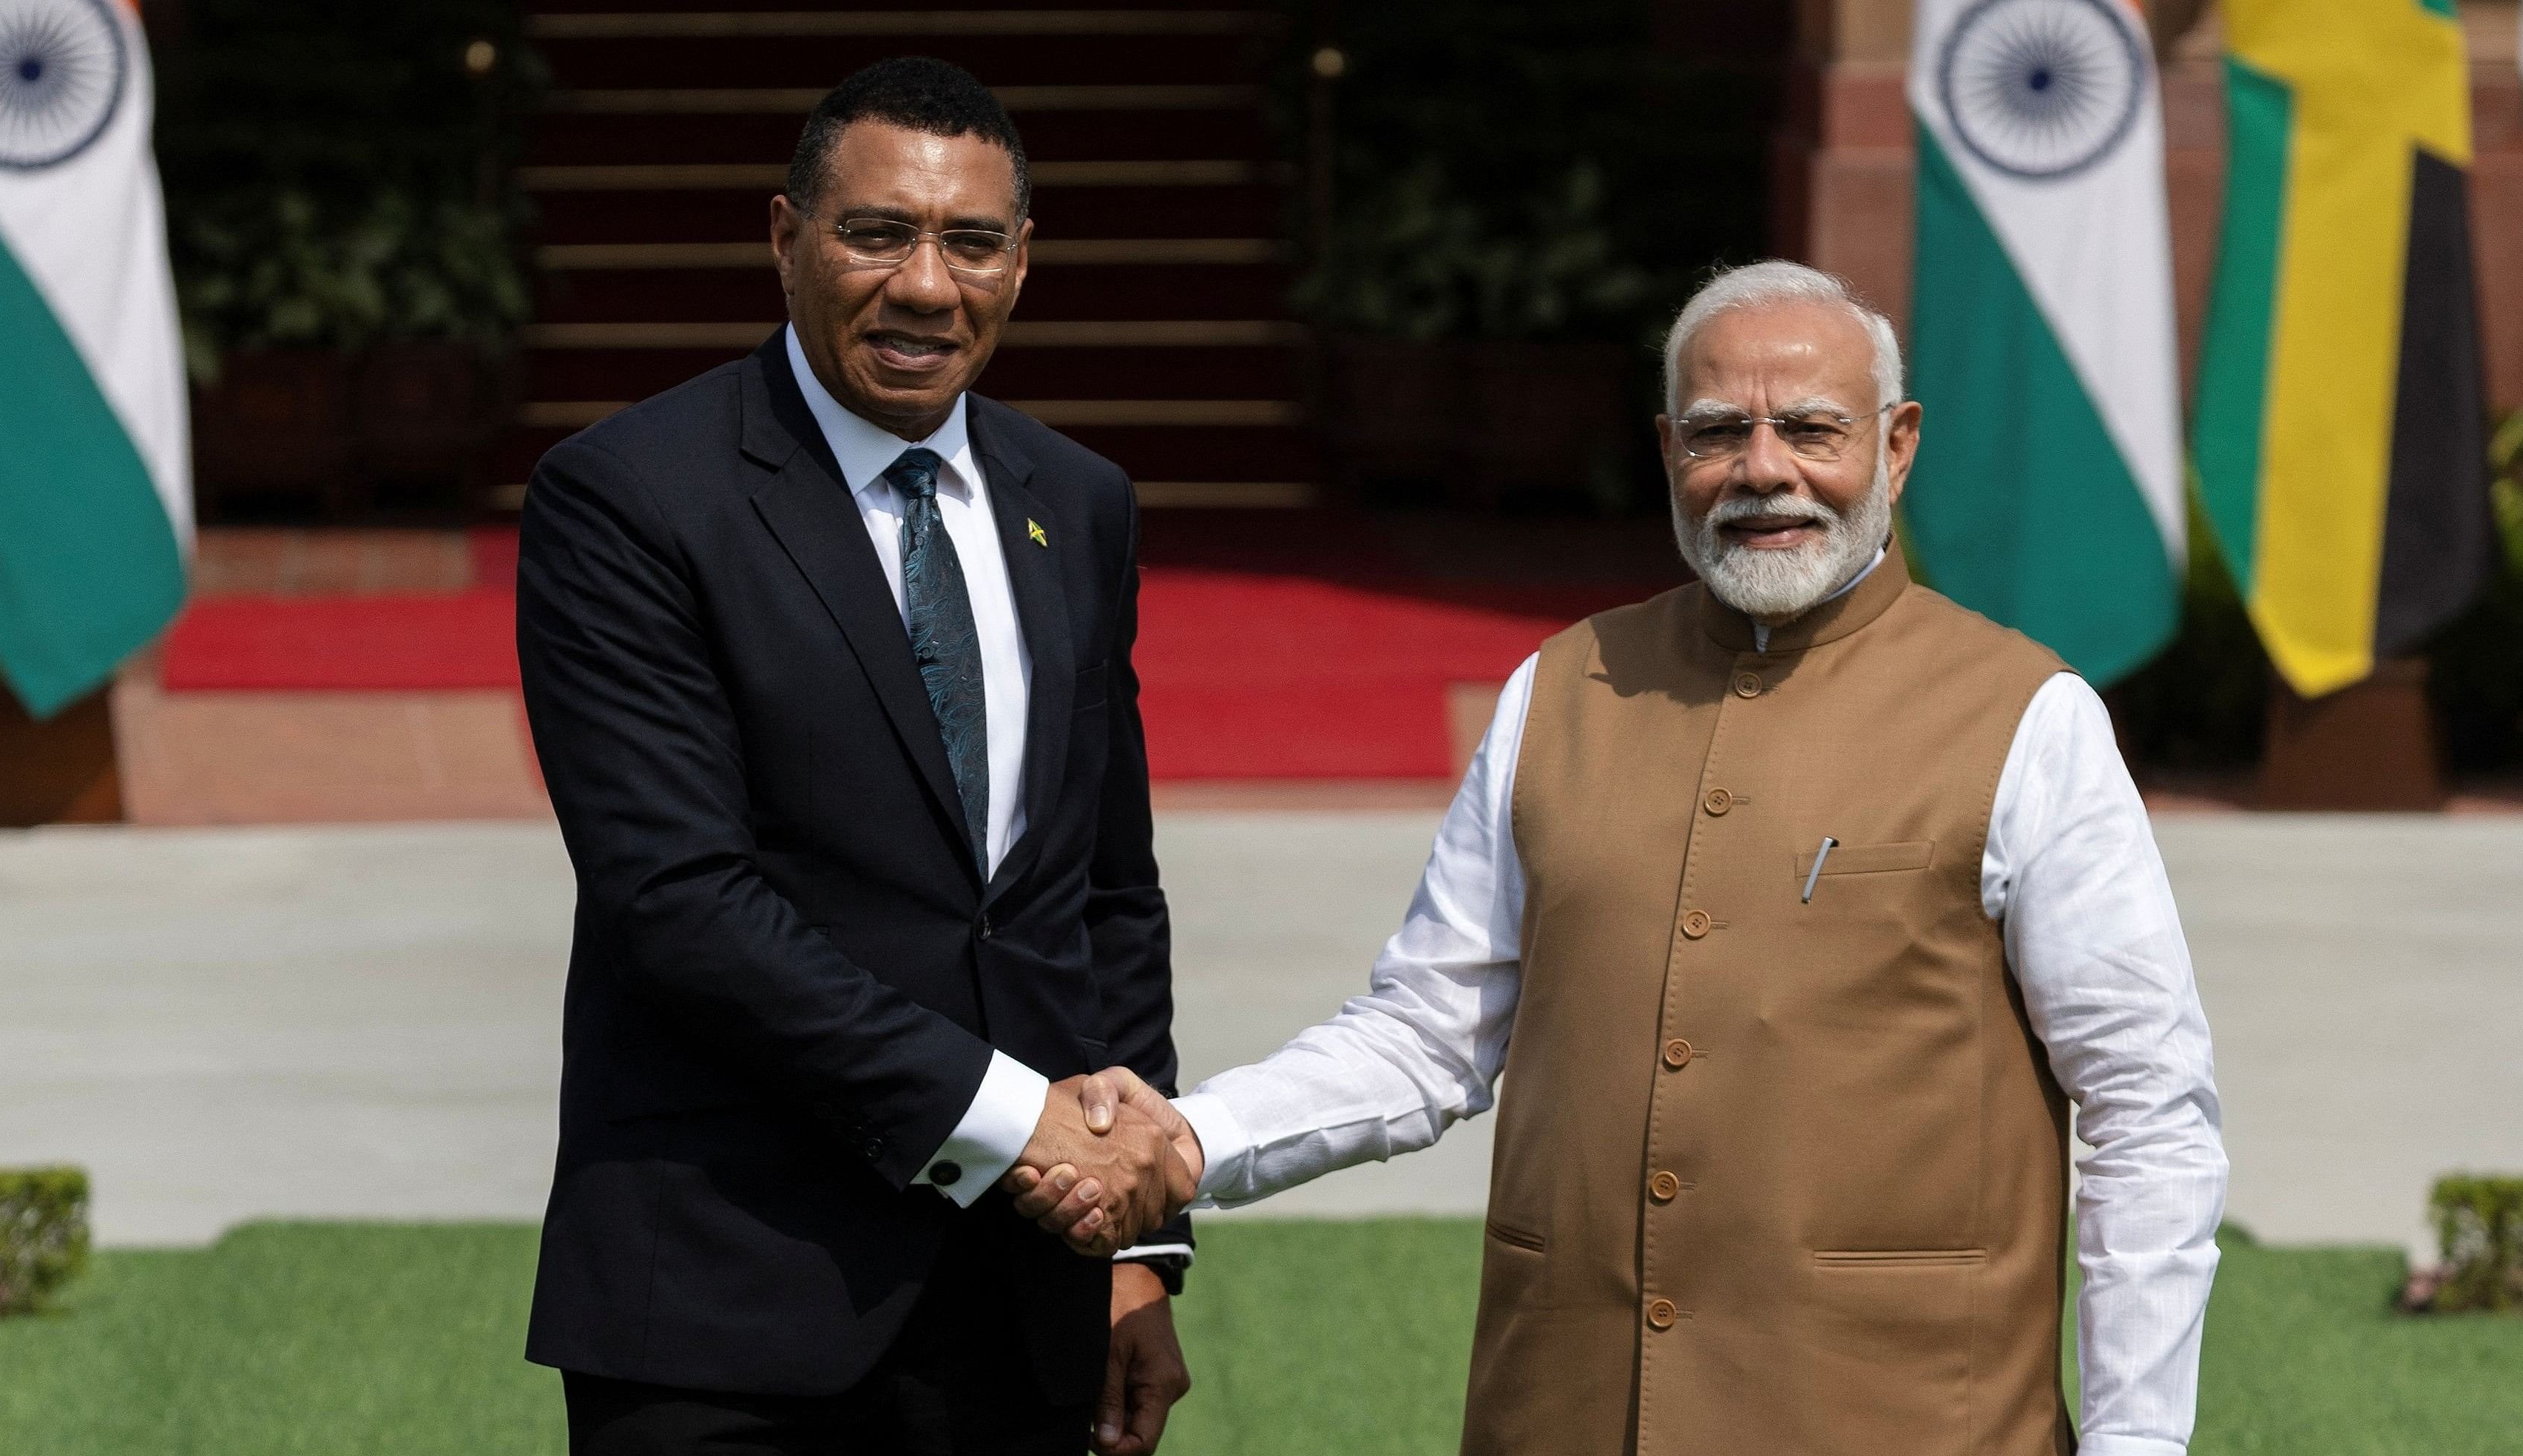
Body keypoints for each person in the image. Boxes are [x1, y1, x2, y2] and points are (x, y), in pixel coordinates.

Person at [1023, 261, 2229, 1455]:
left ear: (1899, 445)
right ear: (1666, 450)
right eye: (1719, 432)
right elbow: (1427, 1031)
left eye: (1811, 427)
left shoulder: (2026, 716)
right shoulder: (1562, 690)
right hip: (1565, 1410)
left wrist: (2138, 1441)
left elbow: (2147, 1111)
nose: (1763, 469)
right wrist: (1189, 1142)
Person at [517, 57, 1198, 1456]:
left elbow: (1105, 895)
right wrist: (1025, 1125)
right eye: (877, 233)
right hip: (727, 1309)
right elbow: (682, 901)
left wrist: (1141, 1242)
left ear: (1022, 261)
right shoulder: (630, 497)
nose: (926, 287)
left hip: (1026, 1303)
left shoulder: (1078, 501)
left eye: (971, 241)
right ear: (786, 237)